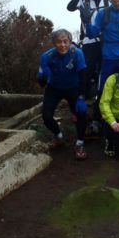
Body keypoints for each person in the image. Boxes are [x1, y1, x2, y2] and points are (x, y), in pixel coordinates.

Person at [37, 29, 89, 160]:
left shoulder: (77, 53)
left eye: (65, 41)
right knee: (46, 116)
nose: (62, 45)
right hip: (54, 88)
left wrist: (82, 97)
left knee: (81, 113)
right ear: (54, 43)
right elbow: (42, 83)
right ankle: (59, 137)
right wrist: (42, 76)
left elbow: (83, 76)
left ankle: (80, 144)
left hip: (73, 87)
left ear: (70, 42)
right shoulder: (47, 57)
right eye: (59, 42)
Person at [66, 0, 109, 97]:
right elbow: (70, 7)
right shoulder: (84, 0)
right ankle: (83, 97)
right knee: (86, 70)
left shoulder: (107, 1)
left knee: (104, 70)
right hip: (88, 41)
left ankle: (101, 97)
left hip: (105, 41)